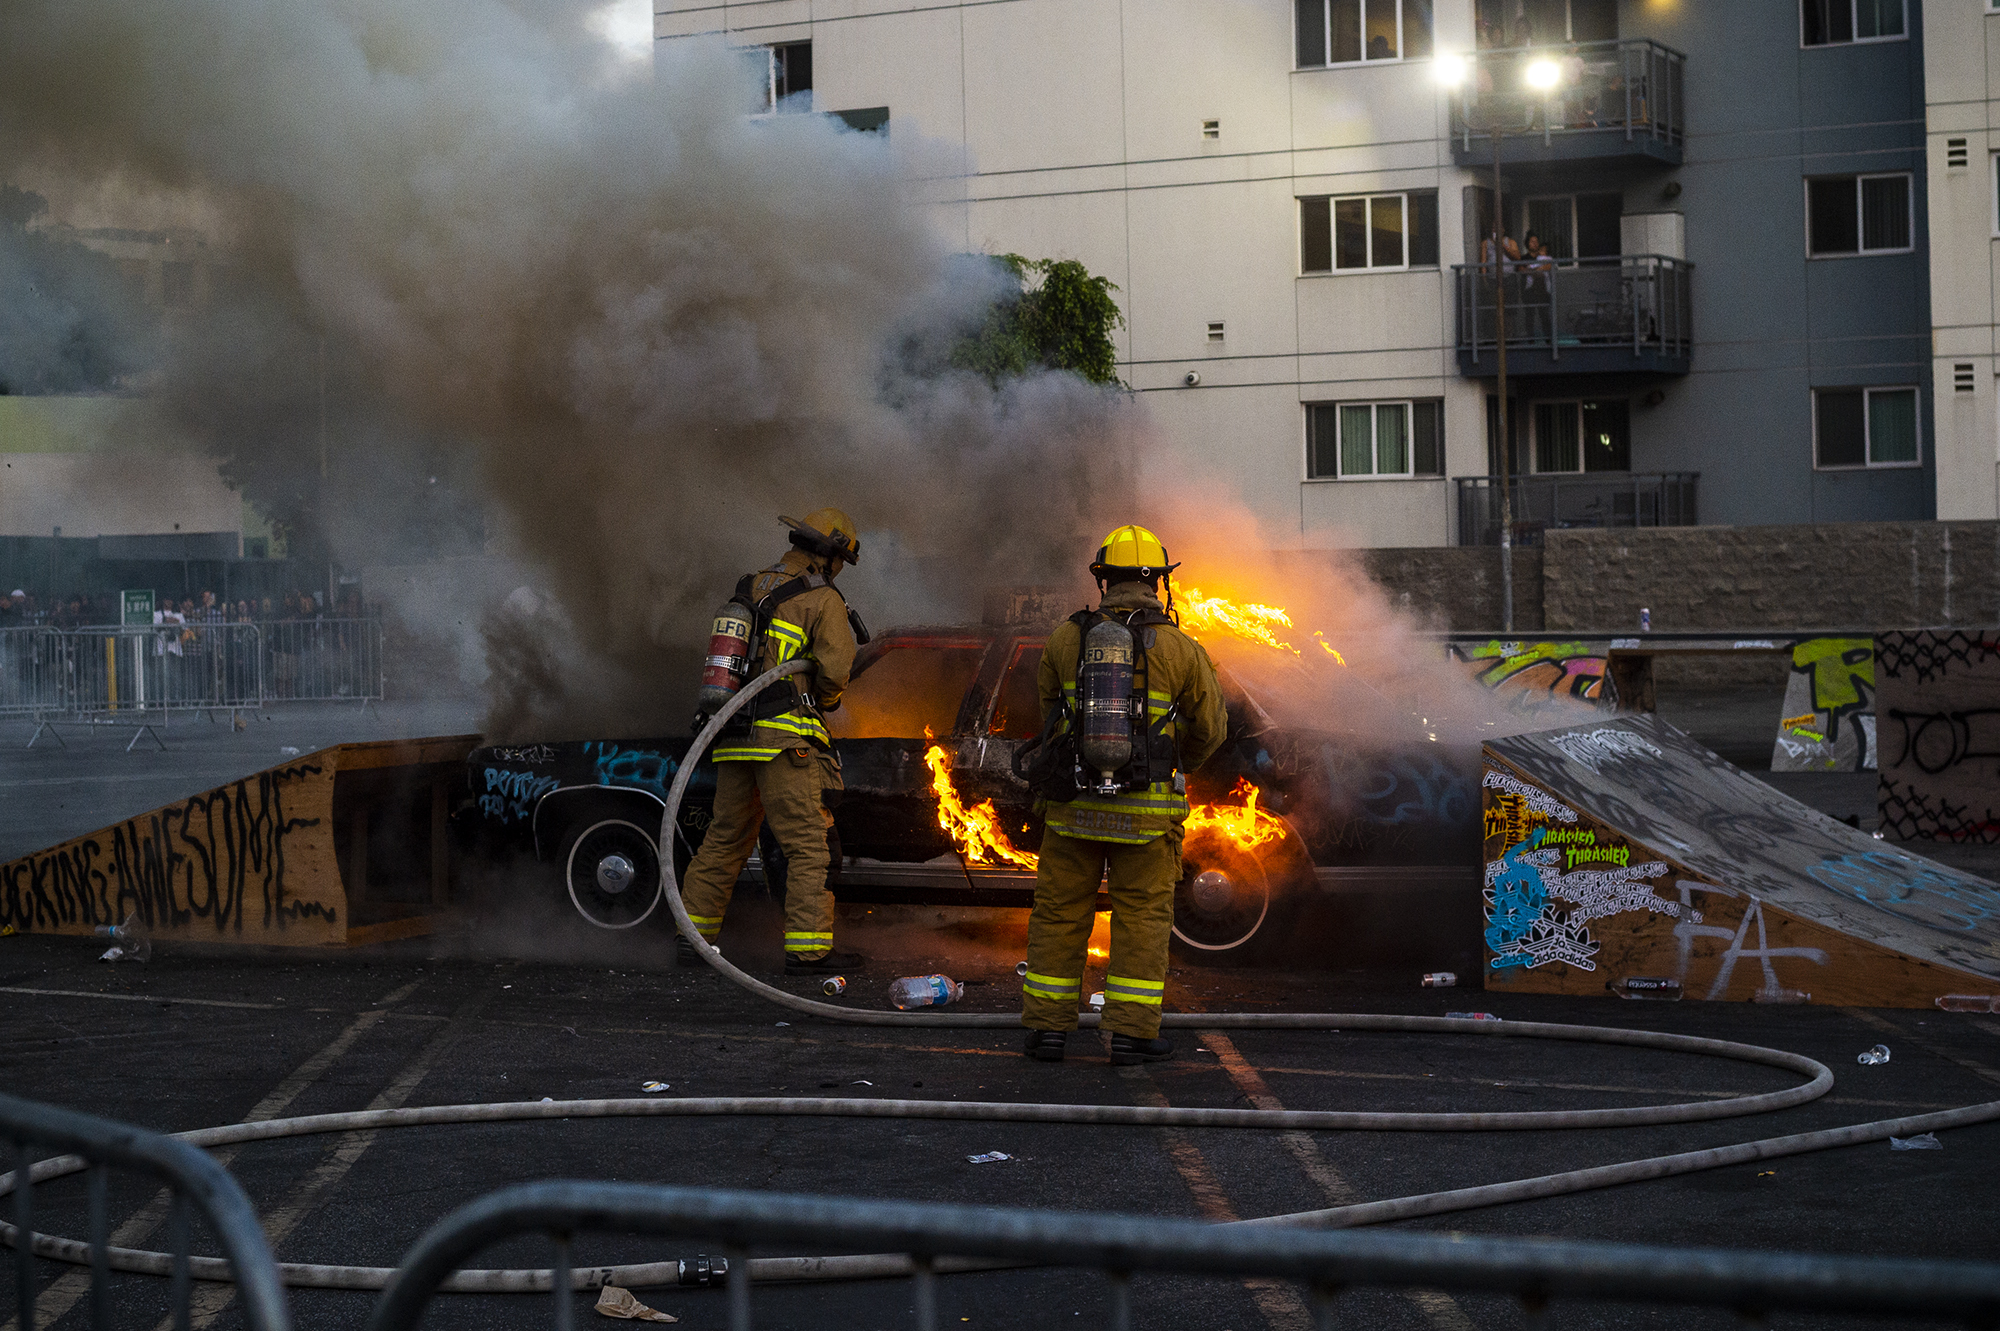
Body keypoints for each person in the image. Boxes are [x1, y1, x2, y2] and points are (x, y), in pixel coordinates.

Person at [1019, 525, 1227, 1066]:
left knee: (1060, 916)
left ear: (1102, 577)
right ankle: (1132, 1035)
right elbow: (1210, 730)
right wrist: (1169, 765)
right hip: (1147, 817)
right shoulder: (1182, 648)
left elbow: (1047, 719)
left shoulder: (1066, 640)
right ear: (1159, 581)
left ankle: (1047, 1031)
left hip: (1072, 810)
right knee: (1141, 919)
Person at [678, 508, 866, 976]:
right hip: (784, 739)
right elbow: (834, 672)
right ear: (829, 555)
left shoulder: (749, 587)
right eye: (841, 558)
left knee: (724, 840)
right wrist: (825, 698)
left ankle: (691, 941)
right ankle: (808, 951)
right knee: (807, 844)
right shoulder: (821, 598)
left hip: (734, 735)